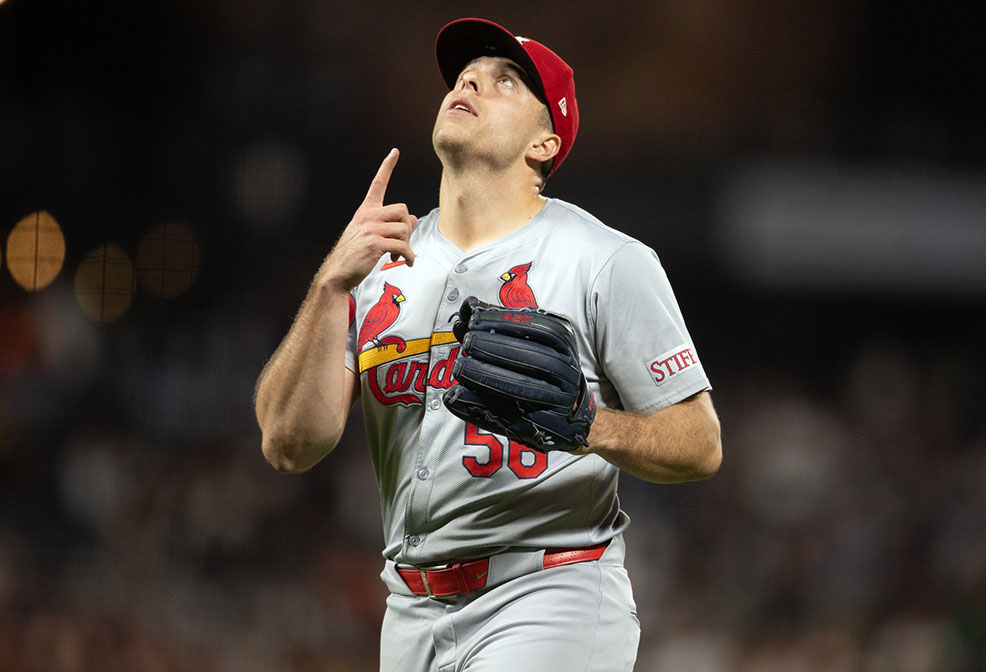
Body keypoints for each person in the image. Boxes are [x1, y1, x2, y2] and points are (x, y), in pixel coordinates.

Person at [254, 17, 722, 672]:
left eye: (508, 80)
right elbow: (288, 442)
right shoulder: (377, 267)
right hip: (410, 610)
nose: (474, 77)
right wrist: (331, 285)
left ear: (544, 142)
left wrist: (592, 428)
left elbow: (699, 444)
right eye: (468, 71)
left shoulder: (603, 259)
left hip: (550, 589)